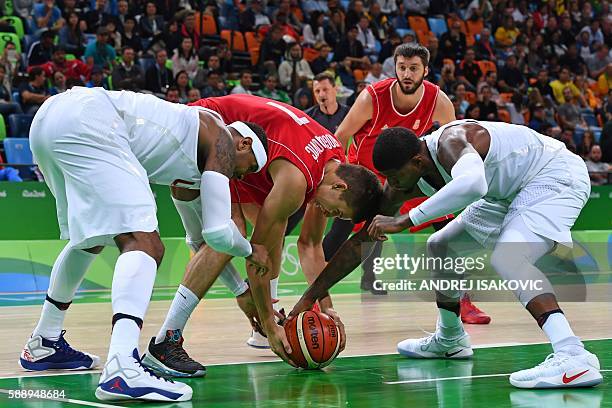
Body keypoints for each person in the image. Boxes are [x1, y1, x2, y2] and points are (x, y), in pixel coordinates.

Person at [291, 120, 602, 390]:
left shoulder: (451, 142)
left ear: (417, 162)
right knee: (441, 245)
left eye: (396, 178)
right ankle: (450, 340)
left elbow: (473, 184)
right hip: (507, 192)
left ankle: (573, 355)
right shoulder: (405, 176)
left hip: (554, 176)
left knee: (509, 258)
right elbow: (363, 241)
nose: (394, 187)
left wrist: (407, 219)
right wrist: (311, 296)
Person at [20, 87, 271, 402]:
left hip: (49, 119)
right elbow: (219, 233)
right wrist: (251, 250)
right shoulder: (220, 137)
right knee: (146, 244)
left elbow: (198, 239)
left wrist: (240, 289)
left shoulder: (195, 155)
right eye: (247, 167)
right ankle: (122, 366)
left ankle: (45, 342)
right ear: (244, 143)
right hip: (90, 120)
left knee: (89, 239)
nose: (240, 175)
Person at [142, 94, 382, 376]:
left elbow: (311, 246)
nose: (331, 218)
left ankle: (261, 316)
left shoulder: (332, 162)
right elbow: (258, 257)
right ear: (340, 188)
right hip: (210, 132)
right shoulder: (296, 179)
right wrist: (269, 324)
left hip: (243, 150)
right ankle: (166, 341)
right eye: (338, 213)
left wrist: (325, 306)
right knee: (230, 235)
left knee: (259, 233)